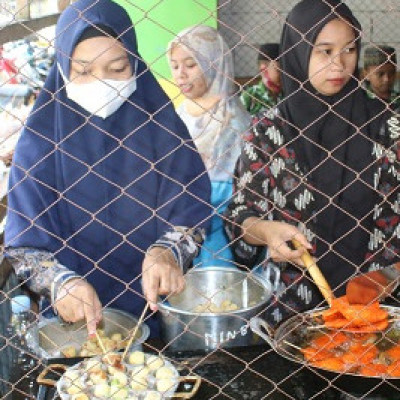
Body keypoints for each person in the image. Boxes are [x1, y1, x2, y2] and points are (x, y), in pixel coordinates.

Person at [4, 0, 211, 336]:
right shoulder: (40, 139)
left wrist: (168, 250)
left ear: (135, 64)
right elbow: (25, 244)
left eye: (117, 69)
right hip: (70, 323)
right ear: (62, 68)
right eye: (83, 70)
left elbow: (191, 209)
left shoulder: (161, 126)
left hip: (157, 309)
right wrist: (59, 282)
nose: (101, 82)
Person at [225, 0, 399, 324]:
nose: (339, 64)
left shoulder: (386, 128)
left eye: (349, 50)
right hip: (292, 311)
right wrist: (265, 230)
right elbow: (240, 217)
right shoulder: (269, 133)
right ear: (297, 51)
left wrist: (382, 283)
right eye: (324, 51)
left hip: (377, 305)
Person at [167, 25, 250, 268]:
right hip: (170, 234)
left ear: (214, 63)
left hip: (219, 238)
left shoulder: (234, 122)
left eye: (191, 65)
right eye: (174, 66)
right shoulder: (174, 116)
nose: (180, 74)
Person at [240, 43, 283, 115]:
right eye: (279, 70)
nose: (284, 74)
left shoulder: (288, 94)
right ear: (264, 69)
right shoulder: (250, 96)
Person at [362, 45, 400, 110]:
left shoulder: (398, 99)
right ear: (366, 74)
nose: (387, 79)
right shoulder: (359, 100)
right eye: (380, 74)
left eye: (391, 73)